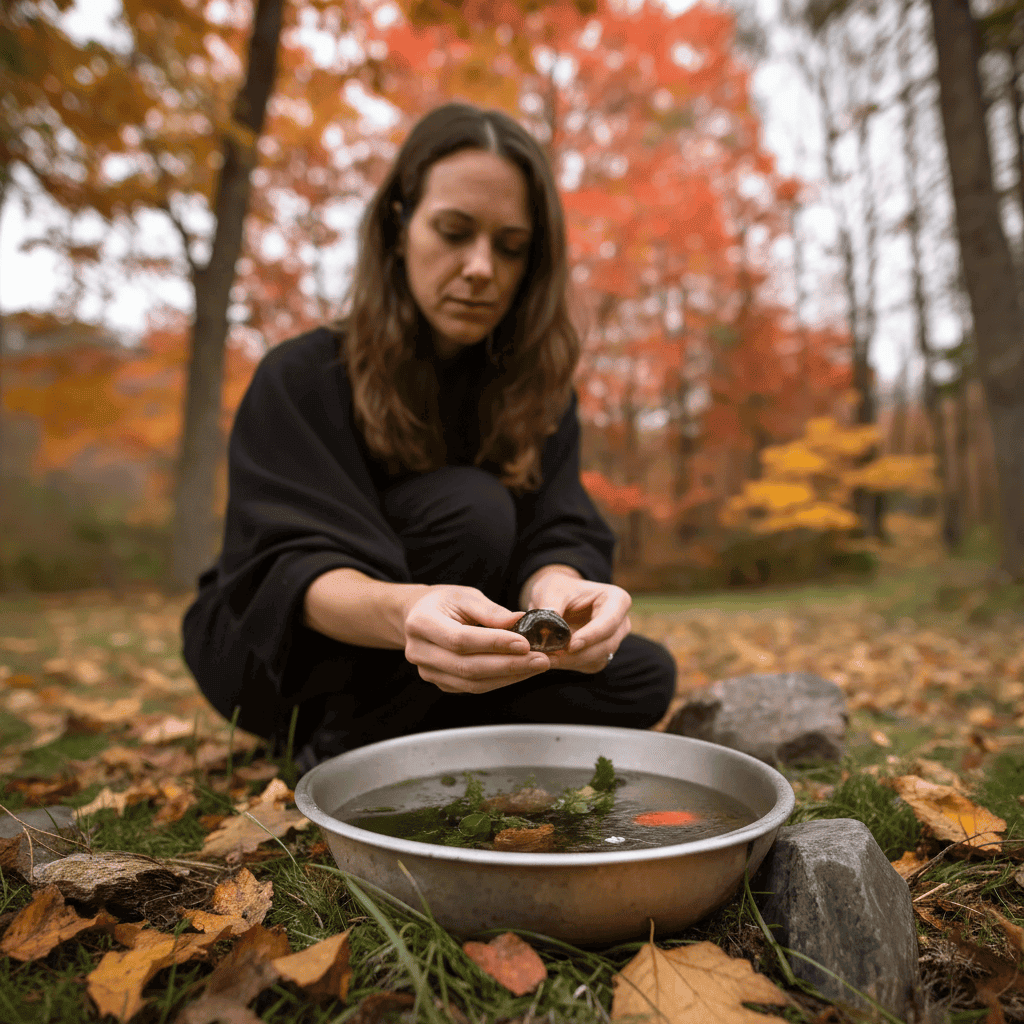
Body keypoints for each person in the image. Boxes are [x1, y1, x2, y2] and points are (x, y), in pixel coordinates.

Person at [182, 101, 677, 773]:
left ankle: (407, 735)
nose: (481, 268)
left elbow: (557, 531)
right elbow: (282, 568)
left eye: (510, 247)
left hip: (441, 654)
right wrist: (410, 611)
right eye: (453, 232)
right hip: (275, 657)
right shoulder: (300, 375)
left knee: (642, 674)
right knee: (471, 510)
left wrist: (558, 596)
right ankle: (346, 747)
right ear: (398, 227)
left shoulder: (541, 392)